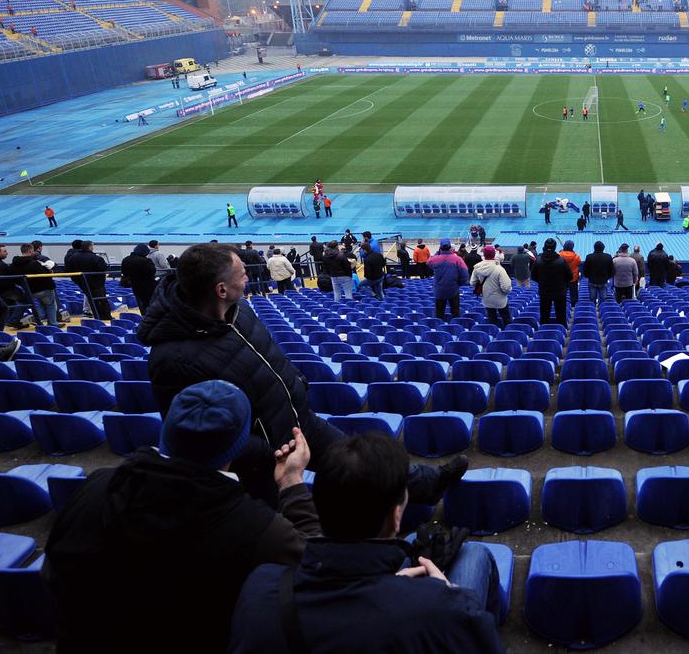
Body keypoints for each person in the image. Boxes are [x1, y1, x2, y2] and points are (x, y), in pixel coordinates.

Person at [140, 243, 467, 505]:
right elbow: (195, 432)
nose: (248, 279)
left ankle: (427, 484)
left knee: (360, 462)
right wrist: (272, 453)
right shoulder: (172, 358)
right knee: (275, 525)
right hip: (263, 459)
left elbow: (264, 354)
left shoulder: (237, 312)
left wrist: (294, 377)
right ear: (221, 289)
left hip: (296, 421)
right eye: (241, 275)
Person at [44, 381, 322, 654]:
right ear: (238, 445)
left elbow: (54, 571)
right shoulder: (257, 529)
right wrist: (291, 481)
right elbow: (318, 568)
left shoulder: (97, 486)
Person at [231, 431, 503, 653]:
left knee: (412, 544)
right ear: (397, 516)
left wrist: (290, 481)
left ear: (322, 506)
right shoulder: (444, 613)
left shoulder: (260, 590)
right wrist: (448, 595)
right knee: (473, 553)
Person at [10, 243, 58, 326]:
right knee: (50, 305)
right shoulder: (34, 263)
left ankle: (38, 319)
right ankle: (52, 324)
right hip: (43, 289)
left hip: (29, 289)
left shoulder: (14, 265)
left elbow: (14, 278)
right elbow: (45, 276)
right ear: (30, 250)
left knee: (42, 305)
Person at [68, 239, 111, 320]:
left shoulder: (73, 257)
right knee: (102, 301)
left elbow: (70, 270)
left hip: (83, 283)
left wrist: (77, 281)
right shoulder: (95, 258)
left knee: (93, 302)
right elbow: (103, 267)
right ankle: (106, 317)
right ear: (90, 247)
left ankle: (97, 317)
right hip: (97, 284)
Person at [531, 238, 571, 324]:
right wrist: (562, 282)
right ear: (555, 247)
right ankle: (561, 330)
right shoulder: (561, 261)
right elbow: (570, 276)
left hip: (544, 290)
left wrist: (542, 281)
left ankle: (543, 333)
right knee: (561, 315)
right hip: (559, 291)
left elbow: (533, 276)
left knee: (544, 315)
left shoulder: (538, 261)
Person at [471, 246, 512, 328]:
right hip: (500, 299)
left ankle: (494, 333)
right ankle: (507, 333)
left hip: (487, 298)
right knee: (506, 317)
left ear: (484, 254)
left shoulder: (477, 267)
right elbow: (506, 287)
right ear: (494, 255)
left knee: (492, 318)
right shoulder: (499, 269)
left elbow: (472, 282)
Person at [428, 240, 468, 320]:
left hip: (439, 290)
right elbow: (465, 274)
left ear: (440, 248)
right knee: (455, 312)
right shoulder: (458, 259)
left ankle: (439, 328)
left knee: (439, 313)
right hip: (453, 290)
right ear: (450, 248)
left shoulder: (435, 259)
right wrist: (458, 283)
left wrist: (438, 253)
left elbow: (428, 262)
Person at [121, 243, 158, 313]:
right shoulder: (145, 261)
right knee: (151, 303)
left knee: (141, 302)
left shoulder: (126, 260)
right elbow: (152, 271)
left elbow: (124, 272)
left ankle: (144, 316)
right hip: (148, 285)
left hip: (134, 285)